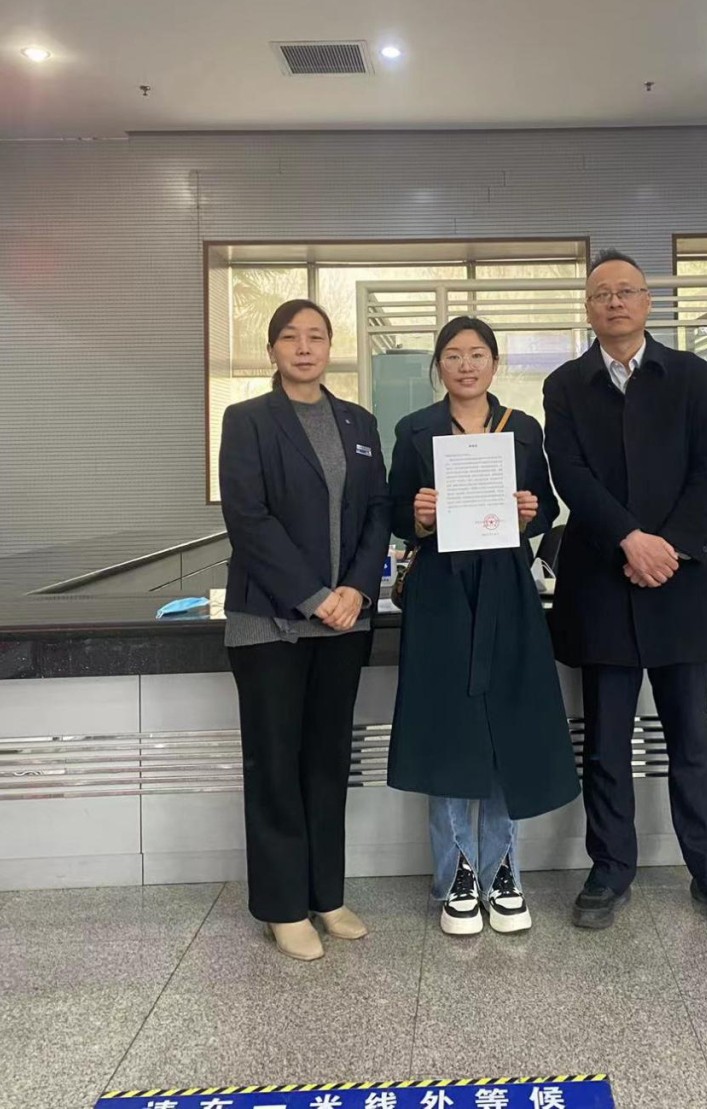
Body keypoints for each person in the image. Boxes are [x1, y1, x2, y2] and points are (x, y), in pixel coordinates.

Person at [543, 249, 707, 933]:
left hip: (680, 583)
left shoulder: (691, 375)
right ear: (587, 308)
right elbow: (571, 475)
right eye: (601, 293)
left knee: (691, 738)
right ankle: (609, 871)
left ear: (647, 302)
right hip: (603, 585)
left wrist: (669, 546)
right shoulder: (565, 384)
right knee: (606, 743)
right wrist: (630, 539)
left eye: (626, 291)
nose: (615, 302)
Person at [387, 316, 580, 936]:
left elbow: (546, 506)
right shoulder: (414, 429)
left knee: (506, 730)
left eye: (476, 354)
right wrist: (418, 516)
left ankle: (503, 871)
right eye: (453, 355)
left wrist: (529, 512)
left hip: (505, 586)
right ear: (438, 365)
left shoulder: (521, 429)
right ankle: (457, 874)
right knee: (448, 731)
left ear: (494, 363)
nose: (465, 365)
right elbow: (393, 513)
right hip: (441, 592)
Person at [219, 298, 390, 962]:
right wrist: (315, 596)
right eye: (290, 336)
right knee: (275, 764)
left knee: (326, 762)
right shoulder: (247, 420)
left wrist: (357, 589)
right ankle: (283, 906)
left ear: (329, 348)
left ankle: (327, 895)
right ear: (272, 350)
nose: (304, 346)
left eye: (316, 336)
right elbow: (249, 518)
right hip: (269, 623)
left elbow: (377, 512)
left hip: (344, 622)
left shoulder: (359, 422)